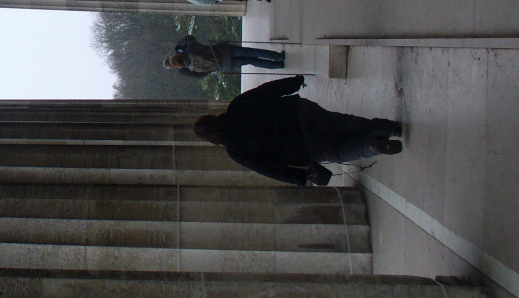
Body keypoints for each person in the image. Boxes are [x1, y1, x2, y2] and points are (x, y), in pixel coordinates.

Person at [192, 75, 402, 186]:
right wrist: (294, 82)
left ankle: (371, 147)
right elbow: (265, 91)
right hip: (298, 112)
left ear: (211, 139)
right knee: (342, 123)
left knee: (339, 151)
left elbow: (267, 168)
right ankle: (387, 127)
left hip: (299, 147)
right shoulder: (236, 107)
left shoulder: (235, 150)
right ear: (213, 117)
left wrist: (299, 177)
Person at [163, 35, 285, 76]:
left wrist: (211, 66)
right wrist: (179, 47)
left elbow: (201, 75)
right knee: (251, 52)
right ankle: (278, 57)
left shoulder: (188, 69)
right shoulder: (190, 50)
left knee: (251, 61)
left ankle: (277, 65)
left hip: (223, 65)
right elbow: (190, 38)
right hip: (224, 51)